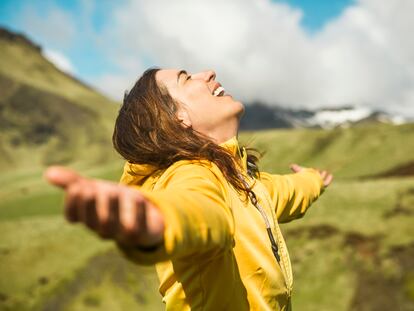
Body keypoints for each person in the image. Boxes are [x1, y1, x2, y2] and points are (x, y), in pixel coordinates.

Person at [45, 68, 333, 311]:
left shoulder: (241, 180)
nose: (208, 73)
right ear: (177, 117)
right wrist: (157, 221)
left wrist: (312, 180)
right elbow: (198, 211)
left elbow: (284, 191)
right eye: (185, 78)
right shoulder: (192, 173)